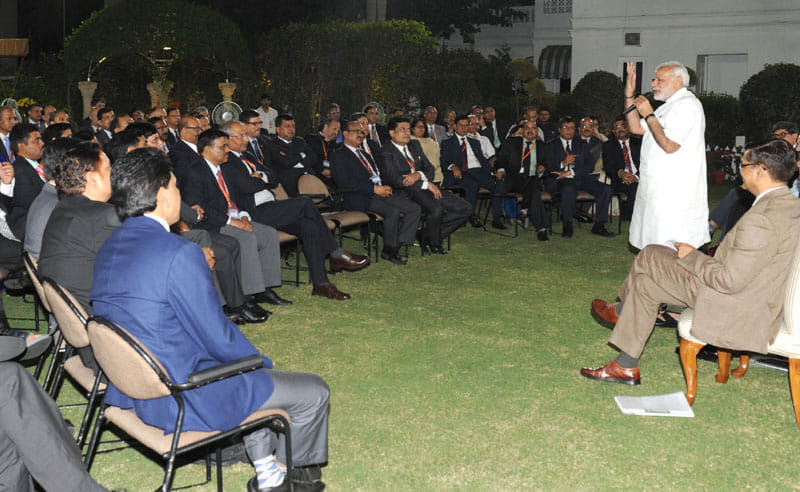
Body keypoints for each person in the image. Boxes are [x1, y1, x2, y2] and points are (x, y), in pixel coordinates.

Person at [92, 148, 329, 492]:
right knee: (311, 391)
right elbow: (218, 337)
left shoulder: (110, 246)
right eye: (175, 187)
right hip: (183, 394)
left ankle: (266, 468)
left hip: (134, 388)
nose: (179, 195)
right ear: (161, 195)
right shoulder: (179, 253)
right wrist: (259, 361)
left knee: (249, 374)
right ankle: (284, 476)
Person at [582, 139, 800, 385]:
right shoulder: (789, 205)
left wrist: (692, 256)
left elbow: (728, 281)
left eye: (745, 165)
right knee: (644, 284)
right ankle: (625, 366)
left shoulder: (763, 219)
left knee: (650, 254)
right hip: (753, 297)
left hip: (735, 305)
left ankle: (621, 309)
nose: (740, 171)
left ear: (762, 170)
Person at [624, 60, 709, 249]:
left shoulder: (688, 105)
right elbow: (636, 128)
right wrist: (629, 94)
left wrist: (649, 114)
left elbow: (669, 145)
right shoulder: (667, 106)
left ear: (678, 81)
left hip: (674, 192)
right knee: (652, 240)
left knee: (670, 243)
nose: (653, 84)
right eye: (653, 80)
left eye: (659, 80)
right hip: (655, 188)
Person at [331, 120, 422, 265]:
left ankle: (398, 243)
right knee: (392, 211)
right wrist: (374, 189)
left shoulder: (364, 154)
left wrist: (385, 186)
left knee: (414, 208)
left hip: (380, 193)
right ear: (345, 134)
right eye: (356, 131)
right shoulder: (339, 155)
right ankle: (389, 251)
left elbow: (378, 174)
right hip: (358, 197)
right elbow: (345, 183)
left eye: (362, 132)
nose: (360, 134)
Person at [378, 116, 471, 255]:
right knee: (436, 210)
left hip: (425, 187)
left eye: (408, 129)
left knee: (464, 208)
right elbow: (396, 180)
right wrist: (426, 183)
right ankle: (435, 243)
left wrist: (419, 174)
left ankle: (425, 235)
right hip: (405, 192)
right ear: (392, 133)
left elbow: (430, 169)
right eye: (402, 129)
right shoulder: (386, 151)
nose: (407, 133)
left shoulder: (414, 145)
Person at [440, 115, 504, 229]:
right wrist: (453, 166)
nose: (464, 128)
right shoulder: (447, 143)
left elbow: (484, 160)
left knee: (497, 185)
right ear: (454, 126)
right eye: (461, 125)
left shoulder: (475, 142)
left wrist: (494, 172)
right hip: (461, 172)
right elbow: (444, 161)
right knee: (473, 184)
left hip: (478, 171)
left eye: (466, 125)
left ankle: (497, 218)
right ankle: (471, 215)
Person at [494, 119, 550, 241]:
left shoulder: (543, 146)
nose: (530, 131)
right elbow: (501, 159)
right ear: (523, 130)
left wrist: (544, 167)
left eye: (533, 128)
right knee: (534, 189)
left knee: (534, 191)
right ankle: (526, 211)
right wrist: (501, 169)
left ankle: (541, 229)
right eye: (527, 128)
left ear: (537, 131)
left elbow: (548, 163)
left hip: (532, 180)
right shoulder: (512, 142)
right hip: (514, 180)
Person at [602, 116, 641, 221]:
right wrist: (621, 173)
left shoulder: (639, 143)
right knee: (633, 187)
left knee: (637, 185)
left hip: (640, 178)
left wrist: (636, 177)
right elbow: (607, 166)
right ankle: (634, 219)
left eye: (623, 126)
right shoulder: (608, 146)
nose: (620, 129)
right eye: (617, 127)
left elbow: (646, 163)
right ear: (613, 131)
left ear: (628, 128)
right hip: (619, 181)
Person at [409, 117, 443, 182]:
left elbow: (439, 157)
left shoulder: (431, 141)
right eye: (418, 126)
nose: (421, 129)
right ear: (412, 129)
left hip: (436, 173)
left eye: (423, 127)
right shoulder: (409, 141)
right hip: (418, 175)